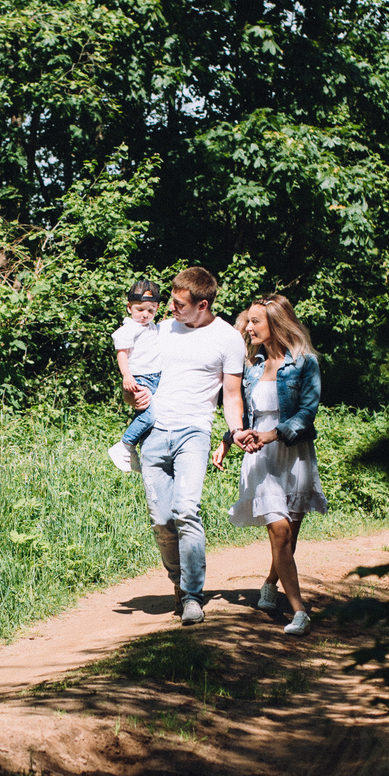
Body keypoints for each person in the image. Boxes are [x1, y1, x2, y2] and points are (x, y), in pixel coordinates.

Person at [138, 266, 246, 626]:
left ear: (202, 304)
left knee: (186, 510)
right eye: (171, 300)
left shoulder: (228, 338)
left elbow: (231, 396)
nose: (171, 308)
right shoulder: (162, 329)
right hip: (154, 433)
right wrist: (132, 393)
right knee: (161, 519)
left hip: (193, 434)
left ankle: (192, 596)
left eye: (179, 304)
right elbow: (140, 372)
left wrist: (236, 432)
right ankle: (178, 584)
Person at [228, 295, 328, 635]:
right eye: (248, 321)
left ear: (276, 324)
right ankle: (299, 611)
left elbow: (306, 413)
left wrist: (273, 434)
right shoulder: (252, 366)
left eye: (256, 321)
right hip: (260, 457)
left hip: (293, 452)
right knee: (280, 530)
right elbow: (239, 409)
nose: (249, 327)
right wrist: (228, 440)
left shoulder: (305, 363)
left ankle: (271, 583)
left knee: (289, 534)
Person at [106, 280, 165, 474]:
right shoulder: (129, 328)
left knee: (151, 418)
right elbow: (122, 353)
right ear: (129, 307)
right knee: (150, 415)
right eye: (140, 309)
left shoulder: (152, 328)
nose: (145, 314)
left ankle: (134, 453)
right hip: (140, 377)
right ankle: (124, 445)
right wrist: (126, 375)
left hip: (155, 377)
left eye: (151, 310)